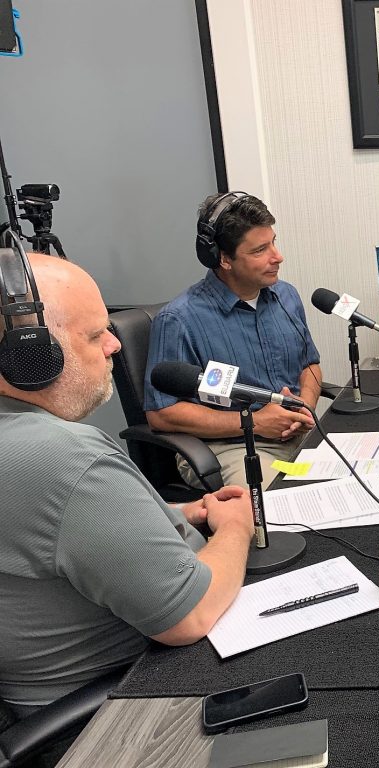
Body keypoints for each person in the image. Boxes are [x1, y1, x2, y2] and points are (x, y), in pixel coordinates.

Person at [0, 252, 255, 715]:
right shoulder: (65, 458)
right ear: (28, 355)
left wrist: (178, 512)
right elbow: (190, 616)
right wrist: (236, 525)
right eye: (95, 334)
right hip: (120, 707)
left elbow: (51, 535)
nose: (114, 346)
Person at [144, 193, 322, 489]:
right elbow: (162, 414)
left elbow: (310, 365)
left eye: (273, 242)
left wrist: (306, 404)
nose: (277, 256)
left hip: (299, 433)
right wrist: (255, 422)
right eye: (260, 250)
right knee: (280, 504)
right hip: (232, 447)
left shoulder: (286, 296)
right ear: (223, 259)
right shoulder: (178, 320)